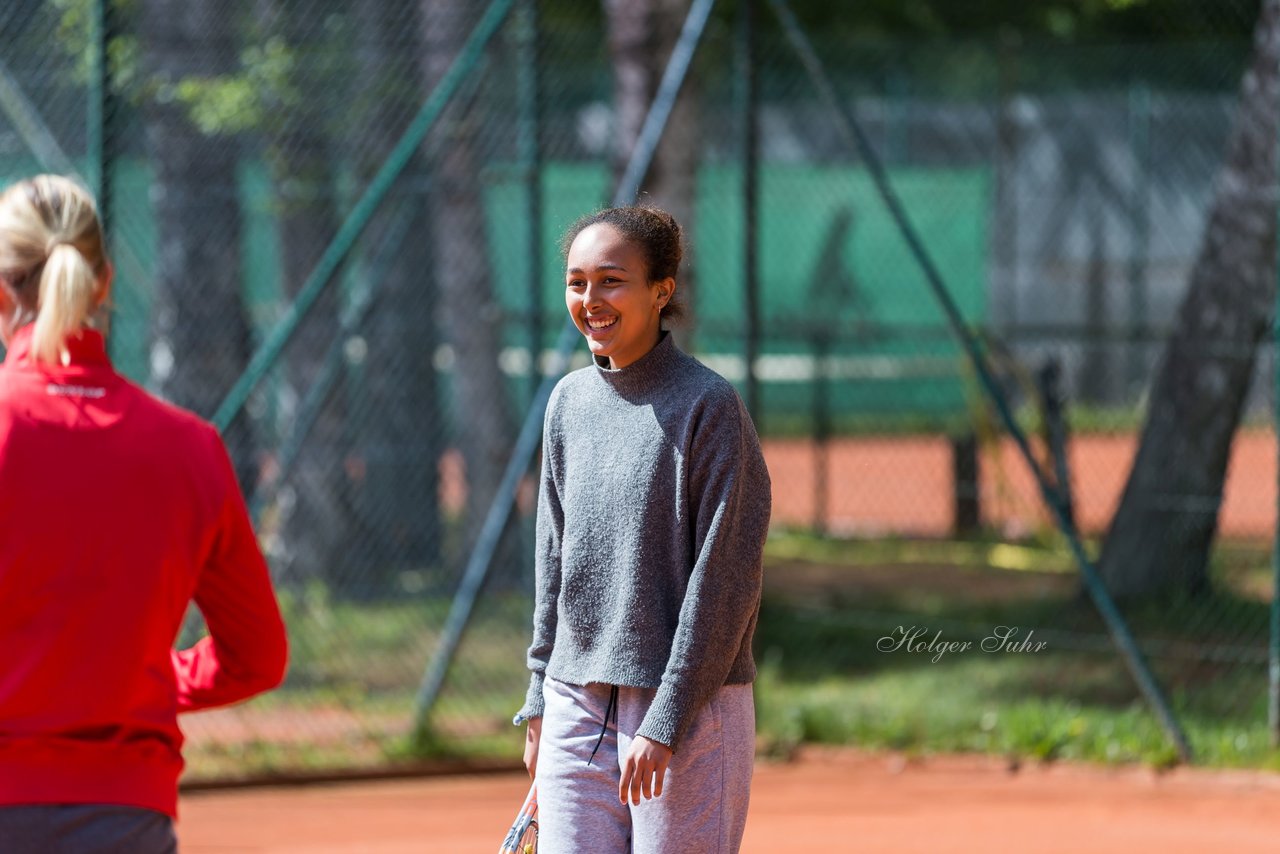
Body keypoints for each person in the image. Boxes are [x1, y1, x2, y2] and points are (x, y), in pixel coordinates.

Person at [0, 174, 288, 853]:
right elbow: (259, 657)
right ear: (104, 283)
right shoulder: (188, 447)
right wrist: (156, 675)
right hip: (126, 815)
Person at [515, 205, 771, 852]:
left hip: (688, 707)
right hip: (575, 700)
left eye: (611, 280)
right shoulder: (568, 403)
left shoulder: (708, 407)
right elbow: (554, 563)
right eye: (577, 282)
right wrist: (540, 694)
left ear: (662, 290)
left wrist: (667, 719)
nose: (590, 300)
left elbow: (725, 582)